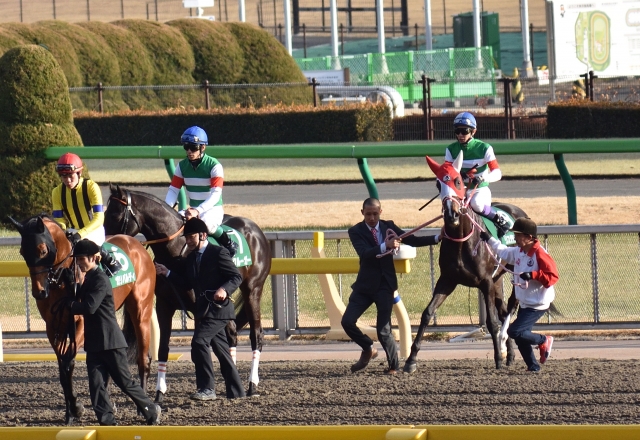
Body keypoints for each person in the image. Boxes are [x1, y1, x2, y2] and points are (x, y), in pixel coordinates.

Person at [65, 239, 160, 426]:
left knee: (125, 382)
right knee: (96, 385)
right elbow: (83, 297)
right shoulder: (89, 278)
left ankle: (150, 409)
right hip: (94, 343)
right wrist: (72, 288)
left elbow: (90, 307)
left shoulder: (100, 279)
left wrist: (69, 305)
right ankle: (107, 421)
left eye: (82, 259)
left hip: (111, 342)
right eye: (77, 259)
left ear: (93, 258)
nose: (79, 263)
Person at [342, 197, 441, 375]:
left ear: (380, 212)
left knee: (384, 330)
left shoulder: (389, 226)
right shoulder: (355, 231)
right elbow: (364, 253)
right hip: (364, 287)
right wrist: (384, 245)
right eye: (368, 214)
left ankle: (393, 366)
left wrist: (436, 237)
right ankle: (368, 348)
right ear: (362, 213)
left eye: (375, 214)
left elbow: (411, 239)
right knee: (347, 321)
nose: (371, 218)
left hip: (385, 286)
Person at [154, 217, 245, 400]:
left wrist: (224, 290)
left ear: (203, 235)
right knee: (221, 351)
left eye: (191, 236)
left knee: (198, 342)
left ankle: (207, 389)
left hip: (219, 310)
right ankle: (237, 392)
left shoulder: (218, 253)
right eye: (186, 237)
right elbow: (187, 283)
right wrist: (167, 272)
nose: (187, 240)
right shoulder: (192, 258)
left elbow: (236, 277)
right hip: (204, 310)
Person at [480, 217, 558, 372]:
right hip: (525, 301)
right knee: (521, 336)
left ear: (529, 237)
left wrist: (533, 275)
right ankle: (533, 367)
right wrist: (489, 239)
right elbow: (503, 251)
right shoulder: (519, 251)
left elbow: (553, 277)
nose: (514, 238)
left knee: (514, 332)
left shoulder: (540, 254)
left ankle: (544, 340)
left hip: (537, 304)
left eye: (517, 235)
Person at [165, 126, 238, 257]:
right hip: (192, 210)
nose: (189, 151)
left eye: (193, 147)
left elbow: (216, 194)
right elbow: (173, 191)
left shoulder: (214, 165)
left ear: (202, 147)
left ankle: (229, 243)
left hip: (212, 210)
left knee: (206, 225)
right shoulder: (181, 166)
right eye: (186, 147)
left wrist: (197, 210)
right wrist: (165, 209)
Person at [52, 152, 122, 276]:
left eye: (70, 176)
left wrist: (80, 234)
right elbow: (59, 219)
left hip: (93, 230)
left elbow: (99, 218)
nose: (67, 180)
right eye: (63, 176)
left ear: (79, 173)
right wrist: (62, 231)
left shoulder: (91, 187)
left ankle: (110, 262)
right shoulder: (57, 192)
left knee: (84, 243)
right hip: (73, 231)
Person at [445, 112, 510, 237]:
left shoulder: (484, 148)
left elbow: (497, 172)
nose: (460, 135)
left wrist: (483, 178)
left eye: (464, 131)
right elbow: (448, 172)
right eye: (457, 131)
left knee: (476, 204)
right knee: (448, 206)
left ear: (473, 131)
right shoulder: (450, 149)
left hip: (479, 190)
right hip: (460, 190)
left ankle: (499, 219)